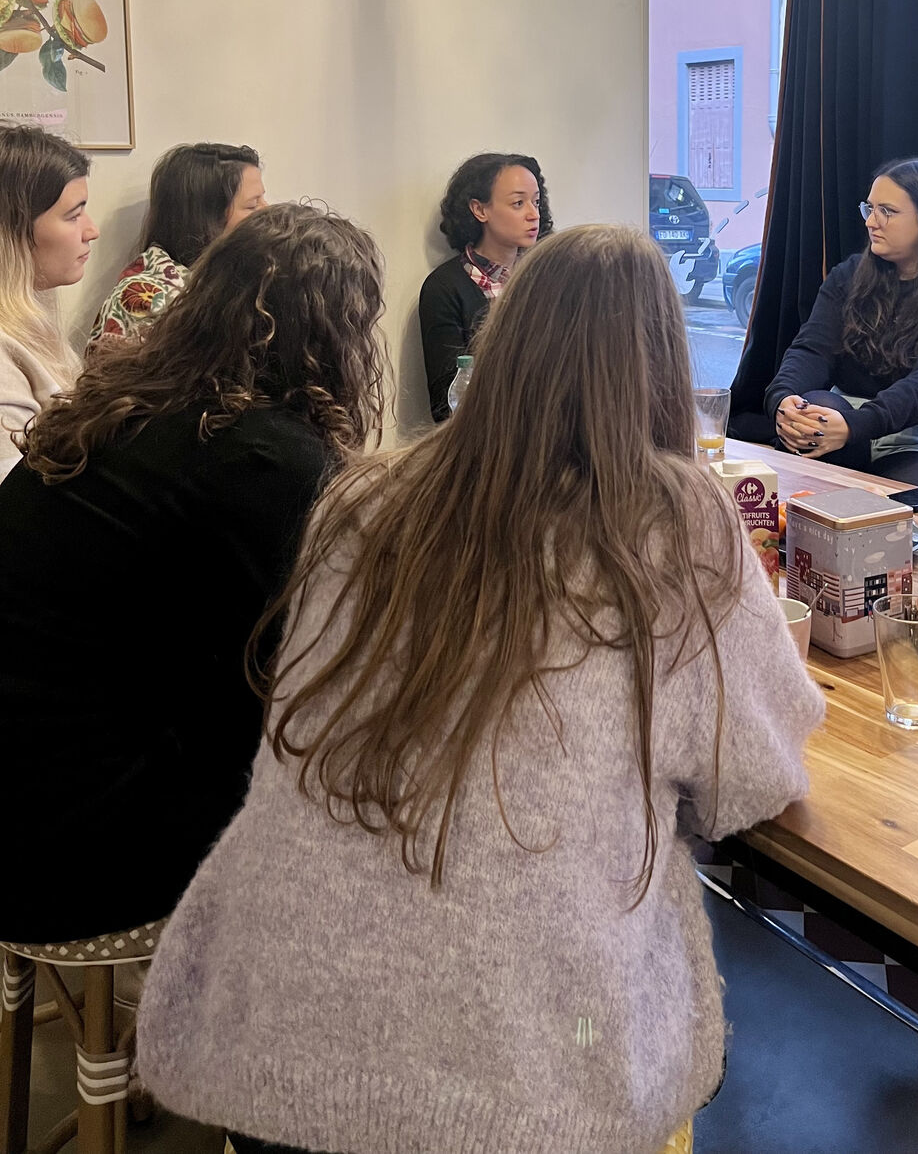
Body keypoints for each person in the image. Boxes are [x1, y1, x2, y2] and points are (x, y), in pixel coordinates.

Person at [138, 225, 823, 1154]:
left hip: (281, 1035)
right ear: (661, 363)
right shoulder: (676, 518)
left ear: (503, 344)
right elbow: (757, 774)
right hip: (526, 1078)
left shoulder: (362, 496)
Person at [0, 203, 385, 943]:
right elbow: (304, 667)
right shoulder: (264, 455)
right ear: (336, 335)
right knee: (356, 781)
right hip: (73, 850)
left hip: (22, 793)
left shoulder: (121, 403)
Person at [766, 158, 918, 489]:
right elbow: (811, 350)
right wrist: (783, 399)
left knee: (893, 514)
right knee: (815, 411)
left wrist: (857, 425)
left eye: (886, 211)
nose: (871, 222)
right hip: (846, 421)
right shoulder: (848, 275)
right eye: (870, 208)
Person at [417, 151, 551, 421]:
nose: (533, 214)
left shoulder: (548, 277)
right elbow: (446, 403)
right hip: (488, 442)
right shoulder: (444, 288)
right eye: (518, 203)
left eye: (536, 202)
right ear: (479, 209)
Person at [89, 140, 266, 344]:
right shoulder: (145, 300)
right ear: (205, 218)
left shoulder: (240, 275)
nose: (267, 210)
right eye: (253, 205)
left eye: (263, 199)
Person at [0, 124, 98, 479]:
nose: (92, 230)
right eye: (73, 216)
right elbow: (14, 503)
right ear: (11, 231)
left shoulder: (30, 319)